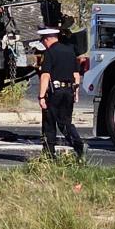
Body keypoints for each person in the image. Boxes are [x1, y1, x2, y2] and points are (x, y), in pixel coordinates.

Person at [36, 27, 84, 160]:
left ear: (47, 39)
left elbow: (45, 76)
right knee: (65, 122)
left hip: (55, 92)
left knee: (49, 124)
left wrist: (41, 97)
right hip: (69, 91)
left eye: (43, 41)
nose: (43, 43)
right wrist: (76, 92)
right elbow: (76, 74)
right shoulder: (70, 51)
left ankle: (49, 155)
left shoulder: (50, 52)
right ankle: (78, 145)